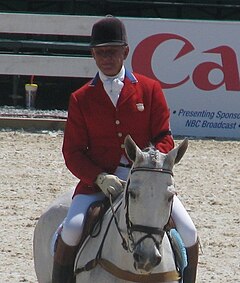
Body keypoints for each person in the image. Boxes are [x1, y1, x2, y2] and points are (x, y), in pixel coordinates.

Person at [52, 15, 198, 283]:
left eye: (112, 52)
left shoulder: (149, 89)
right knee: (71, 231)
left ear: (125, 52)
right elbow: (72, 152)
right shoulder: (81, 98)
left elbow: (164, 136)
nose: (106, 58)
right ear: (93, 54)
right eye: (100, 52)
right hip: (98, 184)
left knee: (188, 233)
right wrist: (98, 177)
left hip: (147, 181)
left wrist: (151, 161)